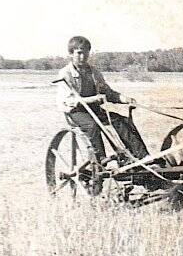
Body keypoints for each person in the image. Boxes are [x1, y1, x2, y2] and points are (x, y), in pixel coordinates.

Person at [56, 36, 151, 164]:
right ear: (71, 54)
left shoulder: (94, 72)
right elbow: (70, 100)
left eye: (86, 52)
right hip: (76, 112)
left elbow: (107, 92)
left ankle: (142, 156)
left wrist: (124, 99)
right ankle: (100, 159)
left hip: (95, 110)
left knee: (121, 120)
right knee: (92, 125)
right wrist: (93, 99)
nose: (83, 56)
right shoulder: (65, 73)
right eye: (79, 53)